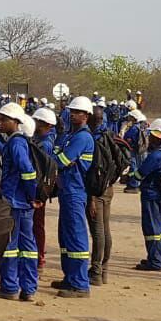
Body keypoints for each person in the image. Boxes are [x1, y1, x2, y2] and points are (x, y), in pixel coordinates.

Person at [0, 102, 39, 301]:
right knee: (28, 246)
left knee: (10, 245)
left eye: (3, 119)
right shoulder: (16, 141)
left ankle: (10, 287)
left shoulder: (16, 142)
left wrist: (31, 194)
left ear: (16, 122)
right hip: (23, 202)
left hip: (15, 202)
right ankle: (28, 288)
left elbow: (26, 170)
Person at [52, 96, 95, 298]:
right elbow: (58, 155)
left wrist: (58, 158)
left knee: (77, 237)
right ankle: (70, 277)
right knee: (66, 235)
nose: (73, 114)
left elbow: (62, 160)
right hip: (67, 191)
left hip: (75, 191)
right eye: (72, 111)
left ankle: (80, 284)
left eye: (77, 112)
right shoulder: (71, 135)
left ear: (86, 115)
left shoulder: (83, 137)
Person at [135, 118, 161, 271]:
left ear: (158, 136)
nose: (149, 138)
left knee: (151, 228)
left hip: (151, 194)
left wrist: (131, 175)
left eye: (151, 135)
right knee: (158, 228)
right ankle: (156, 257)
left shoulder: (156, 155)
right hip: (160, 194)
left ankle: (155, 261)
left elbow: (140, 174)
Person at [88, 106, 118, 285]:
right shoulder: (110, 135)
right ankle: (104, 270)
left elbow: (93, 171)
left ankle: (96, 271)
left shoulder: (94, 139)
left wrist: (91, 197)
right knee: (105, 230)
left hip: (96, 191)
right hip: (108, 188)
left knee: (97, 231)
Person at [30, 107, 58, 270]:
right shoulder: (39, 140)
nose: (34, 124)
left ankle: (39, 258)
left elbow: (41, 171)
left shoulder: (45, 144)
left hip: (38, 191)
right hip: (36, 190)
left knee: (37, 225)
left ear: (45, 124)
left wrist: (39, 195)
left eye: (37, 121)